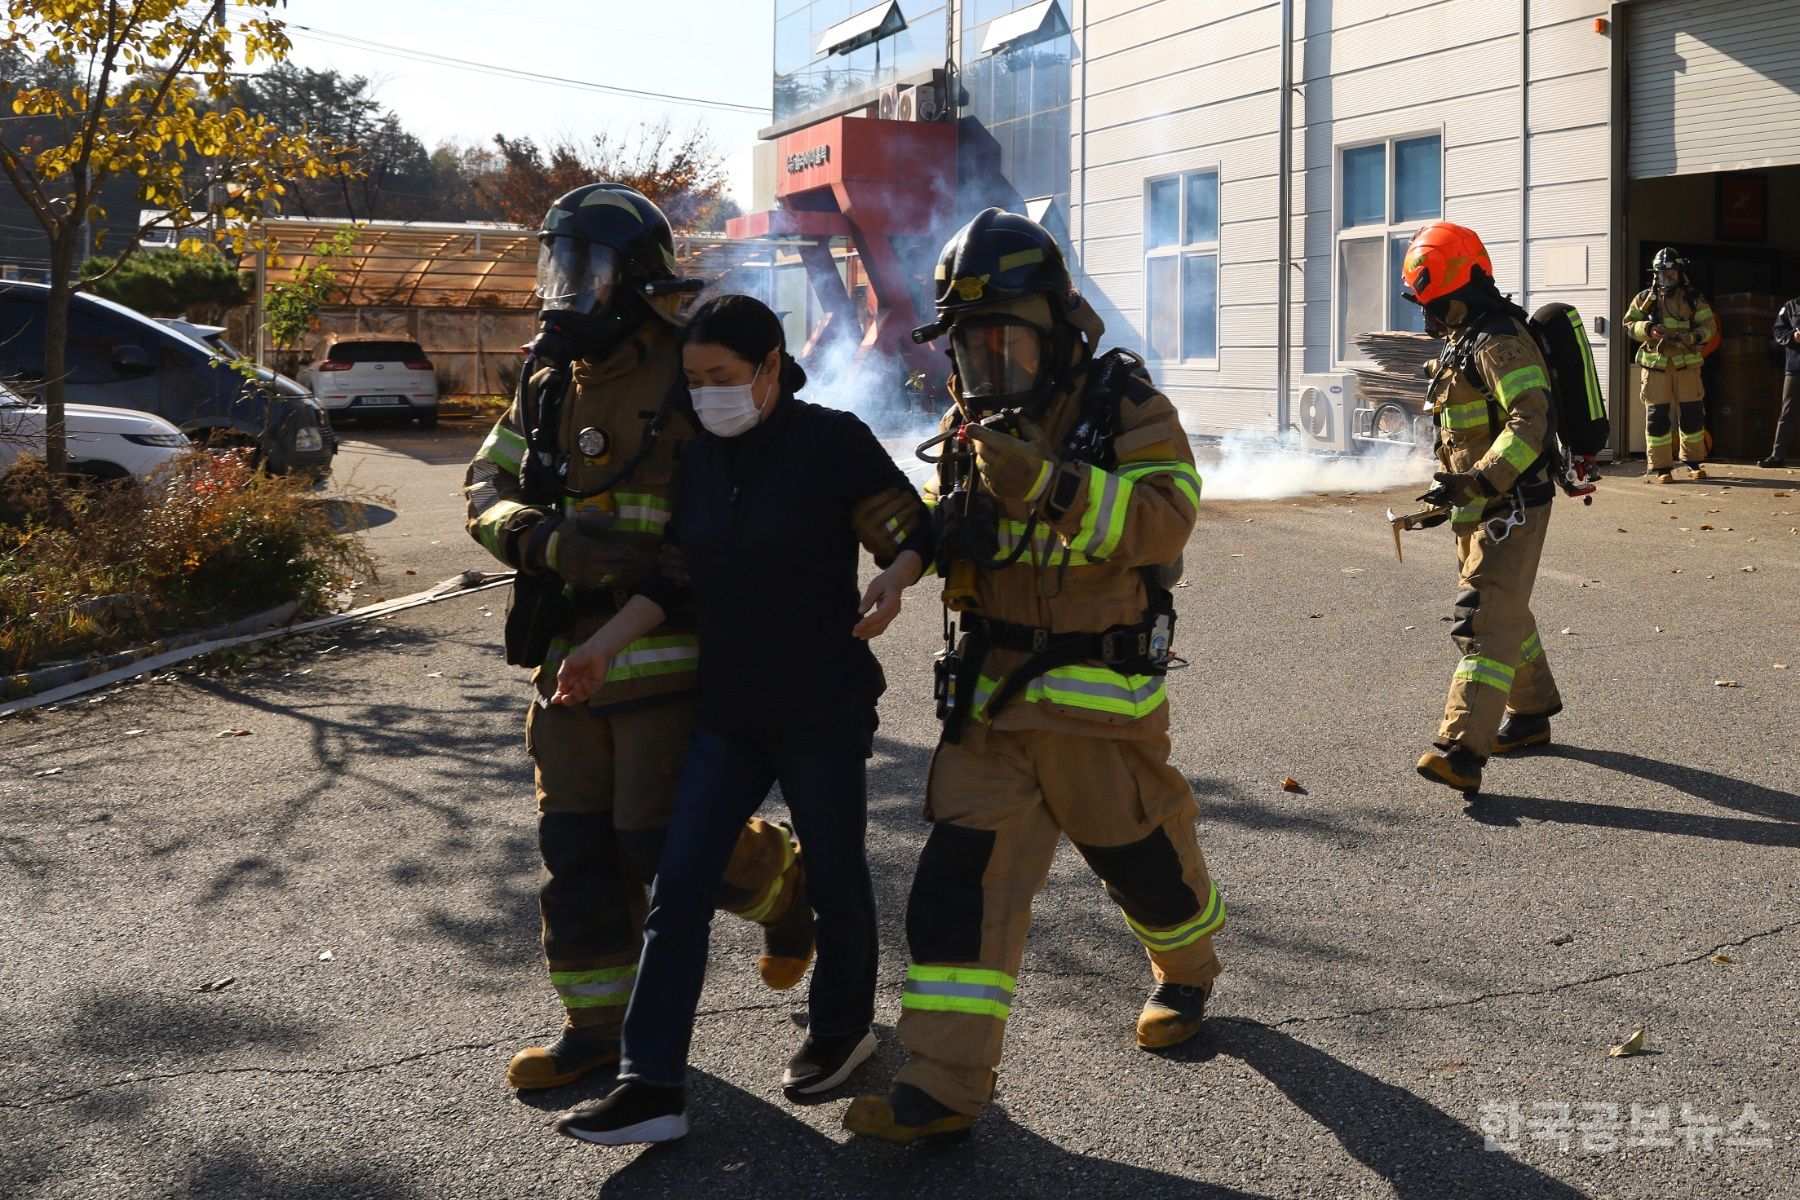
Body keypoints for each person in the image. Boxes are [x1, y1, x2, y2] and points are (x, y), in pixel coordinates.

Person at [844, 208, 1224, 1145]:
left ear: (1057, 325)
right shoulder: (971, 417)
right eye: (971, 346)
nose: (990, 364)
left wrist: (1052, 486)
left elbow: (1166, 522)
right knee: (958, 894)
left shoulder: (1122, 405)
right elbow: (952, 509)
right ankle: (940, 1086)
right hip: (991, 708)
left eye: (1008, 338)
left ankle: (1188, 969)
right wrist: (902, 569)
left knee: (1149, 875)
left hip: (1100, 715)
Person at [548, 294, 932, 1145]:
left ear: (769, 368)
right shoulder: (698, 461)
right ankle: (651, 1088)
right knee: (678, 889)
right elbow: (674, 580)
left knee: (835, 875)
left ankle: (842, 1030)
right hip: (727, 712)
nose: (706, 394)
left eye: (723, 378)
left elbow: (909, 525)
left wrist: (894, 578)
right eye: (693, 379)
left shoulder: (829, 440)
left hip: (821, 704)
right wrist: (601, 647)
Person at [463, 186, 806, 1093]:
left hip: (670, 647)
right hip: (564, 662)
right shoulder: (546, 376)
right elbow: (485, 480)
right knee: (575, 848)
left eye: (584, 270)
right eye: (557, 266)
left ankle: (781, 884)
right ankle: (595, 1029)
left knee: (658, 842)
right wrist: (534, 539)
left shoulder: (687, 368)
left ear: (633, 279)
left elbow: (746, 499)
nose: (563, 289)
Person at [1400, 222, 1564, 795]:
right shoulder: (1463, 339)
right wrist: (1455, 489)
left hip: (1510, 503)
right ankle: (1533, 711)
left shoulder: (1498, 340)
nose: (1428, 317)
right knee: (1503, 605)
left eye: (1435, 304)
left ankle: (1461, 750)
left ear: (1461, 289)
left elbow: (1530, 421)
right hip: (1479, 504)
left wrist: (1477, 480)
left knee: (1486, 617)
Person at [1624, 248, 1716, 483]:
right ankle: (1661, 468)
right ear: (1655, 274)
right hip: (1656, 368)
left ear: (1680, 272)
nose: (1666, 278)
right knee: (1657, 417)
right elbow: (1629, 324)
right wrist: (1648, 329)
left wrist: (1691, 337)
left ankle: (1693, 462)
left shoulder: (1693, 298)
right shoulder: (1645, 298)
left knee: (1693, 416)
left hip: (1687, 367)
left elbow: (1709, 327)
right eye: (1662, 274)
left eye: (1671, 273)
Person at [1758, 293, 1800, 469]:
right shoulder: (1791, 306)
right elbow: (1778, 331)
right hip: (1796, 369)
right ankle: (1777, 456)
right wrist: (1793, 336)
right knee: (1787, 413)